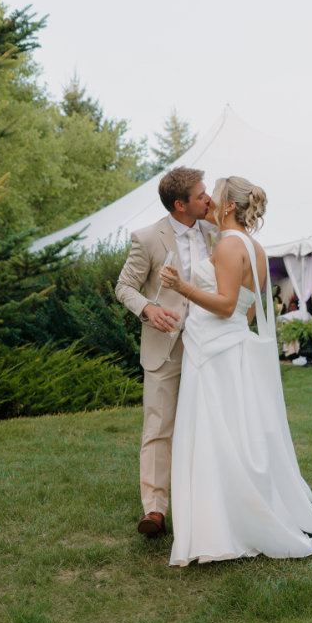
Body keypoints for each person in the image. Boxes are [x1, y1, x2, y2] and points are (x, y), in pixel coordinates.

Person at [159, 176, 312, 566]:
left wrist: (183, 288)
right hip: (230, 346)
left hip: (214, 354)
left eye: (215, 195)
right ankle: (236, 511)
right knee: (234, 435)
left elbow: (224, 304)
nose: (210, 201)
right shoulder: (253, 247)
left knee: (214, 435)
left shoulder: (226, 244)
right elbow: (248, 308)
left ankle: (220, 525)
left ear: (230, 206)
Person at [115, 167, 215, 539]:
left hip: (209, 344)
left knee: (208, 424)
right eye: (201, 194)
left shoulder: (217, 231)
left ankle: (206, 502)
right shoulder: (147, 238)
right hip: (164, 346)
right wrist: (149, 309)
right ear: (180, 204)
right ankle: (155, 509)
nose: (208, 199)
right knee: (158, 427)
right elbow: (124, 286)